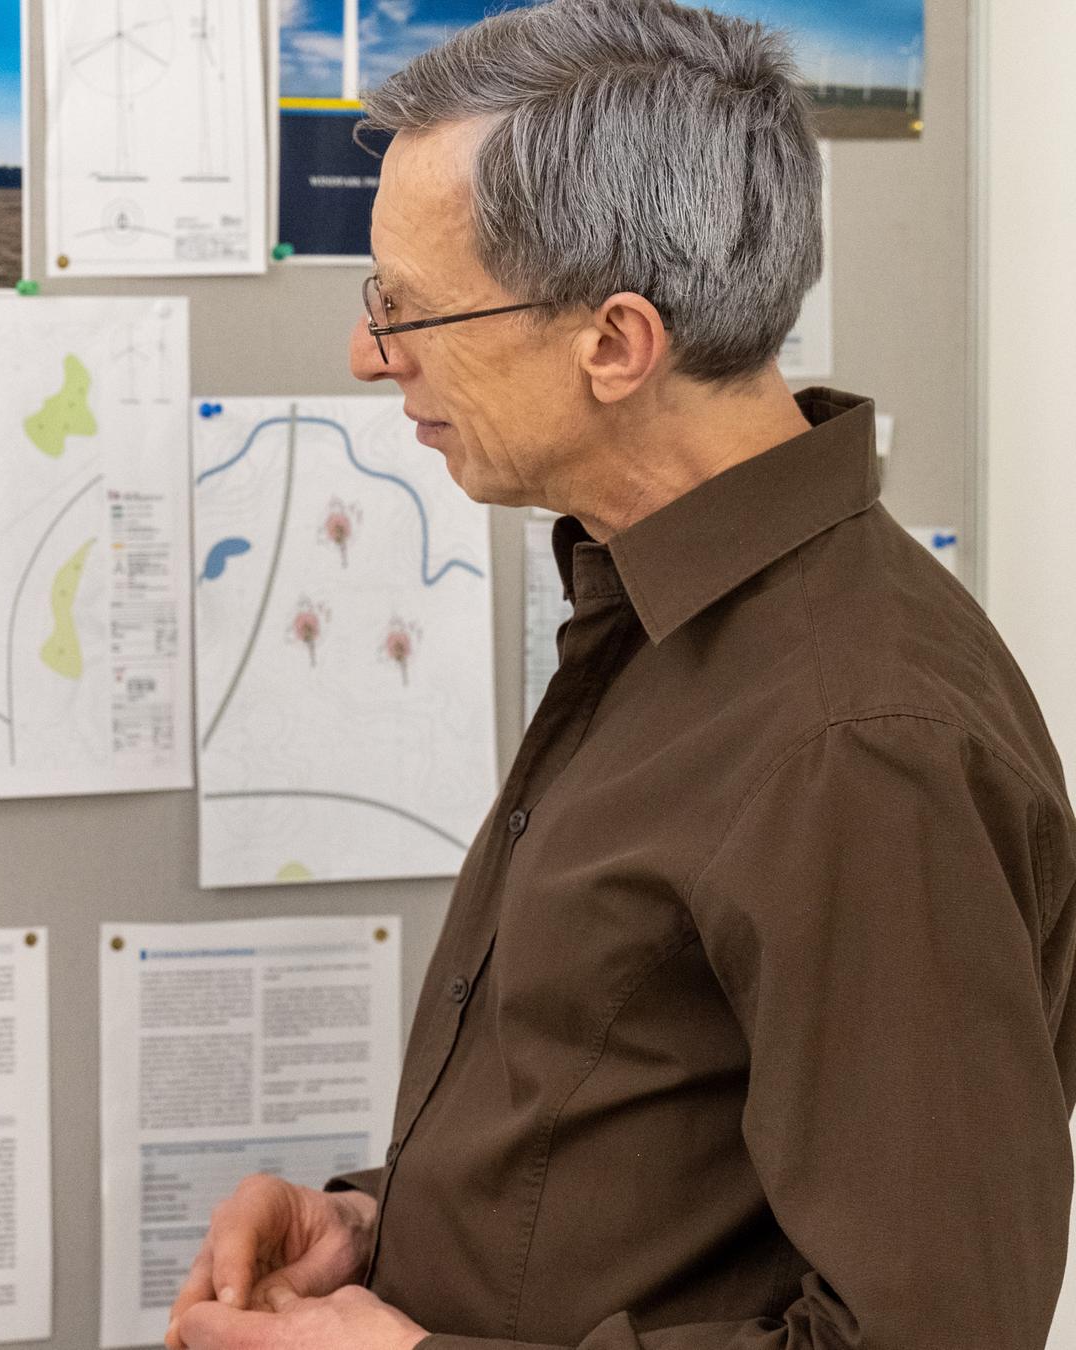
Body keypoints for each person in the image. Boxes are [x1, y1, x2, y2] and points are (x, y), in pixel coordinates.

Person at [165, 1, 1076, 1347]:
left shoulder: (858, 735)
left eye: (407, 308)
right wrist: (377, 1223)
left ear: (614, 342)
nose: (370, 354)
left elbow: (930, 1334)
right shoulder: (650, 614)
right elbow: (648, 1136)